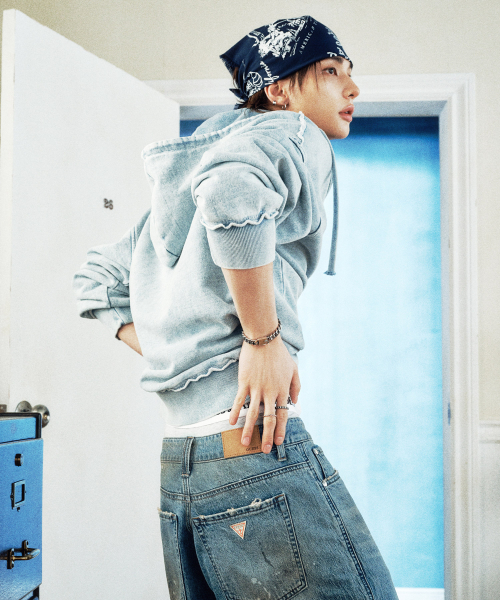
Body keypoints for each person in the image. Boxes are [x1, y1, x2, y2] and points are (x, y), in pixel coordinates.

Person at [73, 15, 399, 600]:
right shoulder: (293, 133)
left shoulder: (179, 190)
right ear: (279, 91)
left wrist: (181, 349)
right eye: (331, 71)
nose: (353, 88)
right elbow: (231, 194)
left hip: (184, 465)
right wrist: (261, 340)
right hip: (248, 446)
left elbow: (96, 279)